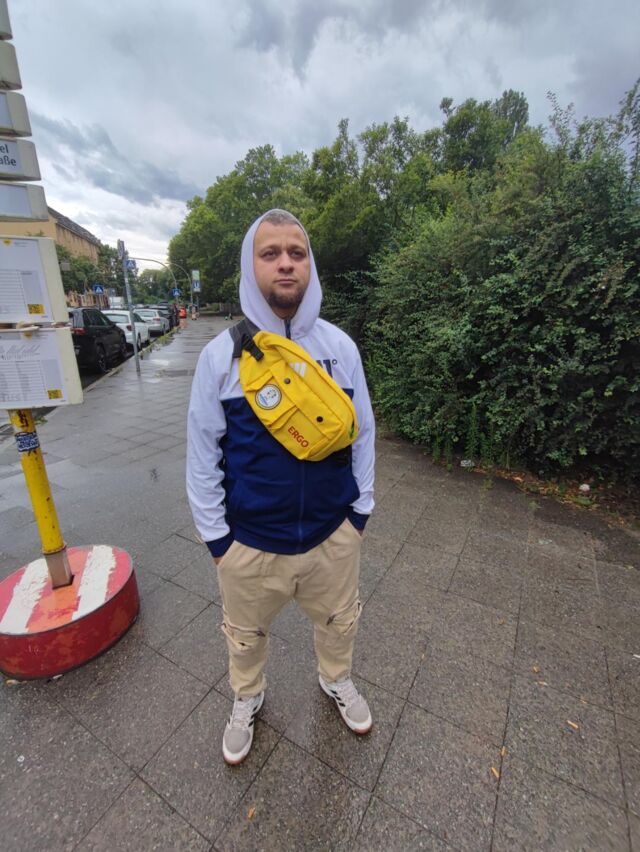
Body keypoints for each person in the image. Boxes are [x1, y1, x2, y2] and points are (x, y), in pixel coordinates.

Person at [186, 209, 375, 765]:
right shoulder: (221, 357)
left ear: (310, 266)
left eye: (297, 252)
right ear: (252, 267)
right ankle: (247, 696)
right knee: (244, 637)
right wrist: (218, 541)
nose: (286, 263)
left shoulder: (339, 347)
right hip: (250, 545)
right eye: (270, 253)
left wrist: (359, 514)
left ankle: (336, 679)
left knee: (340, 624)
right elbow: (201, 454)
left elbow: (364, 433)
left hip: (331, 536)